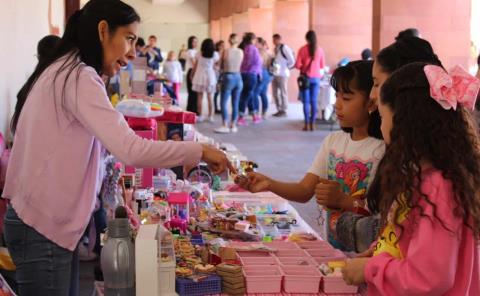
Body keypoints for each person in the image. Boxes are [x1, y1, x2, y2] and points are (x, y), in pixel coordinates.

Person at [2, 1, 232, 295]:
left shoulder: (68, 69)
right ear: (102, 31)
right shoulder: (78, 76)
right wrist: (198, 150)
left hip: (41, 223)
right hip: (42, 227)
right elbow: (131, 150)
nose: (133, 53)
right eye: (130, 38)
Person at [342, 62, 480, 295]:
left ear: (403, 123)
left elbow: (429, 277)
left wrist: (371, 269)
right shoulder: (424, 177)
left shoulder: (438, 187)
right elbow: (412, 239)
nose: (382, 125)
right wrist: (379, 251)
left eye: (383, 117)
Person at [237, 60, 384, 250]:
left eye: (346, 98)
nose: (337, 105)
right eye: (337, 96)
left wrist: (343, 201)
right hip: (334, 250)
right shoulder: (333, 142)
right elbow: (305, 190)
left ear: (371, 101)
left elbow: (383, 214)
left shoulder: (381, 150)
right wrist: (269, 183)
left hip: (368, 256)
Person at [336, 36, 444, 253]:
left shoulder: (434, 177)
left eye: (376, 83)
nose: (373, 94)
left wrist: (351, 226)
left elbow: (427, 264)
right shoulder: (409, 151)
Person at [295, 30, 326, 131]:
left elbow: (298, 65)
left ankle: (306, 124)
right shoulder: (320, 50)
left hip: (305, 79)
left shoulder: (302, 49)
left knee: (306, 102)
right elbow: (322, 65)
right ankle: (313, 124)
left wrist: (303, 66)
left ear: (307, 39)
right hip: (316, 79)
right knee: (314, 101)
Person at [214, 33, 244, 134]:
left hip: (228, 76)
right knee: (235, 102)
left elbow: (219, 65)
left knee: (223, 101)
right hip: (238, 77)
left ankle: (224, 124)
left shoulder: (225, 51)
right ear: (237, 41)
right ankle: (233, 125)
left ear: (229, 40)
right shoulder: (241, 51)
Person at [192, 38, 220, 122]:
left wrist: (192, 74)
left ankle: (200, 115)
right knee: (210, 97)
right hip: (210, 76)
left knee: (199, 97)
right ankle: (210, 116)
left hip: (199, 76)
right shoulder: (215, 54)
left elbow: (195, 66)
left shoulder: (199, 54)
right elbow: (216, 65)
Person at [238, 32, 263, 126]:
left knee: (248, 95)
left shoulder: (243, 48)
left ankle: (254, 115)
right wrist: (259, 73)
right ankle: (240, 117)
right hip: (251, 75)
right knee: (246, 96)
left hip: (243, 74)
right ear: (252, 39)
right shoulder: (253, 49)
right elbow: (257, 62)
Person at [271, 34, 296, 117]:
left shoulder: (284, 48)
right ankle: (279, 109)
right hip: (275, 73)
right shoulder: (275, 49)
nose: (273, 41)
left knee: (283, 92)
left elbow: (292, 60)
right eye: (273, 40)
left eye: (274, 40)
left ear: (279, 39)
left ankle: (284, 110)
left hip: (283, 74)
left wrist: (287, 67)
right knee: (275, 92)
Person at [255, 37, 273, 119]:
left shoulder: (259, 52)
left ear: (260, 44)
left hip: (261, 73)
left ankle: (257, 112)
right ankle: (264, 112)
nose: (255, 44)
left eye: (256, 42)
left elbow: (258, 65)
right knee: (263, 94)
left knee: (255, 94)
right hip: (268, 74)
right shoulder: (270, 53)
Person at [185, 36, 199, 114]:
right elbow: (194, 64)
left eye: (196, 41)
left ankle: (194, 110)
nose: (195, 43)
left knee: (195, 93)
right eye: (193, 41)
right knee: (192, 92)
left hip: (196, 71)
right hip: (192, 71)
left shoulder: (196, 51)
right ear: (190, 42)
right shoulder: (190, 51)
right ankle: (191, 110)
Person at [213, 40, 225, 114]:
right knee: (216, 92)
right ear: (218, 46)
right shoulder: (216, 54)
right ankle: (215, 108)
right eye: (221, 45)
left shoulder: (225, 53)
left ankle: (222, 107)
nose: (223, 46)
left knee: (223, 92)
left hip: (223, 74)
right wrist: (217, 68)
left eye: (224, 45)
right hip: (216, 74)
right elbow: (213, 64)